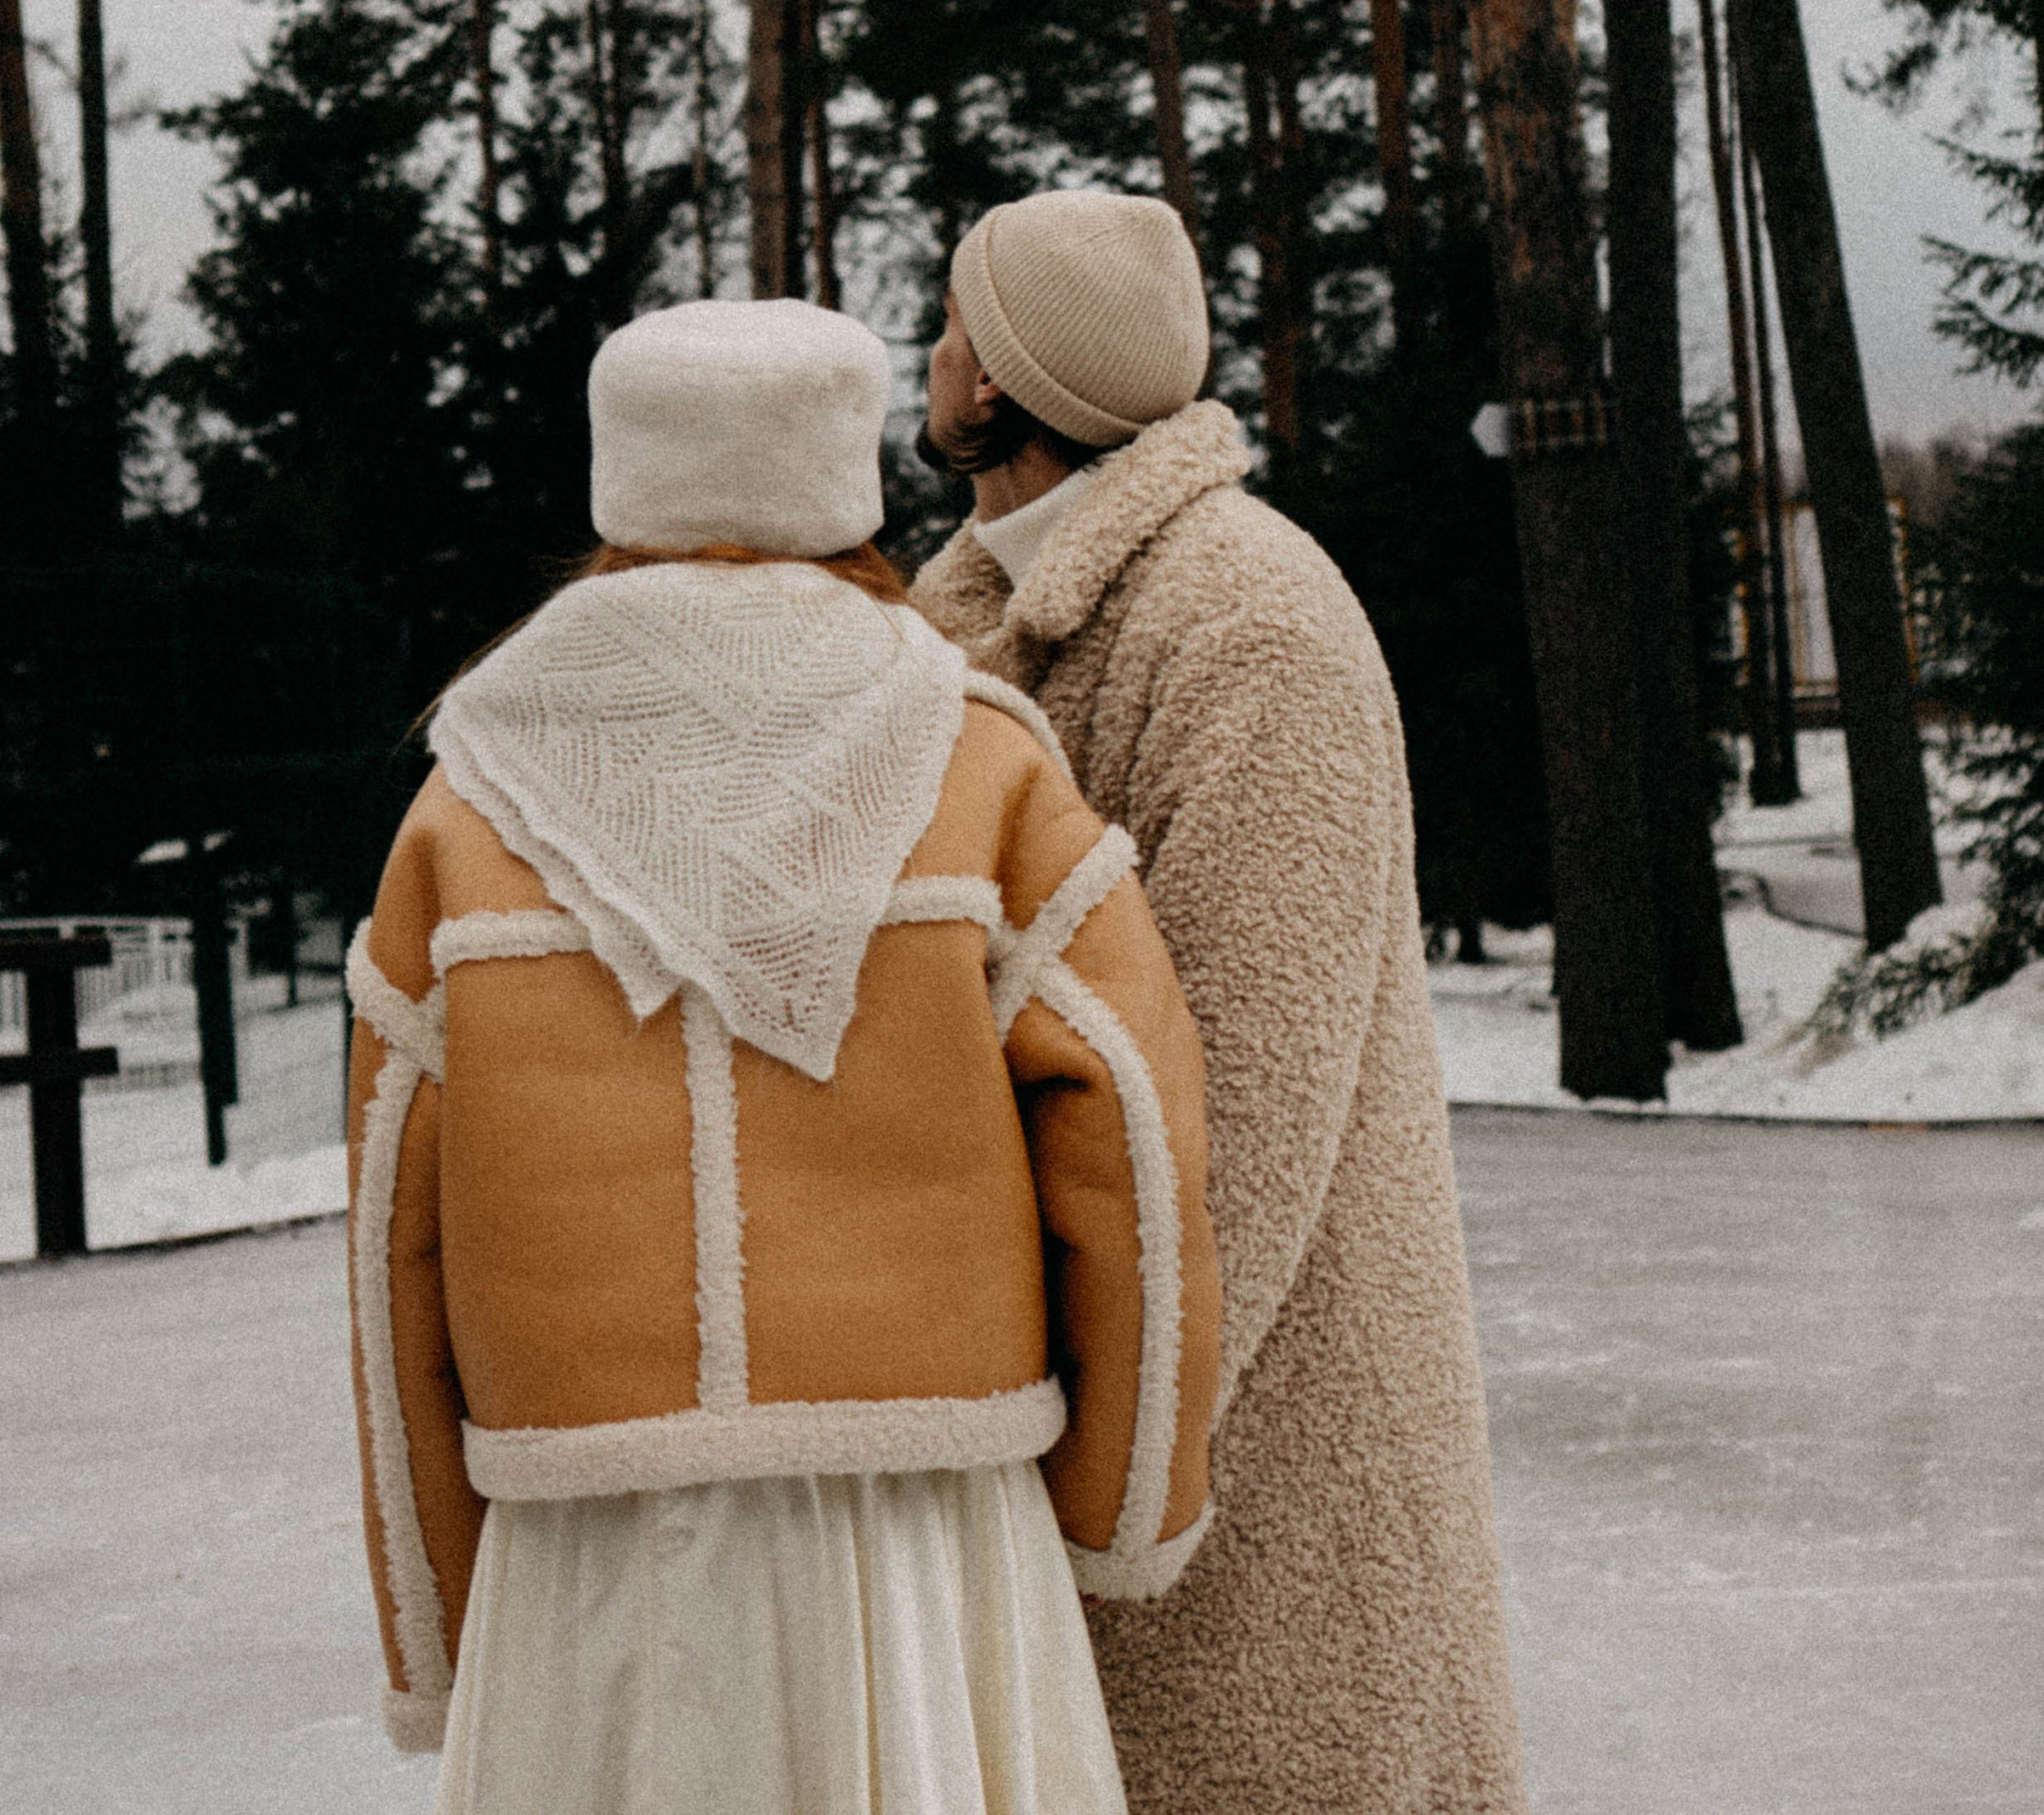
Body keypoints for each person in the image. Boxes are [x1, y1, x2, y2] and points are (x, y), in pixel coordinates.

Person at [345, 295, 1220, 1815]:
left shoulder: (464, 796)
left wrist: (437, 1626)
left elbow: (389, 1241)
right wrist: (1123, 1505)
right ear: (848, 478)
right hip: (923, 1542)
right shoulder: (984, 755)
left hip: (588, 1551)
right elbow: (1132, 1140)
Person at [914, 190, 1530, 1815]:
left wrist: (1093, 1471)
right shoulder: (970, 614)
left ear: (1008, 382)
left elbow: (1239, 1122)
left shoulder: (1257, 626)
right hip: (1084, 1463)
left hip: (1267, 1489)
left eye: (958, 320)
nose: (933, 348)